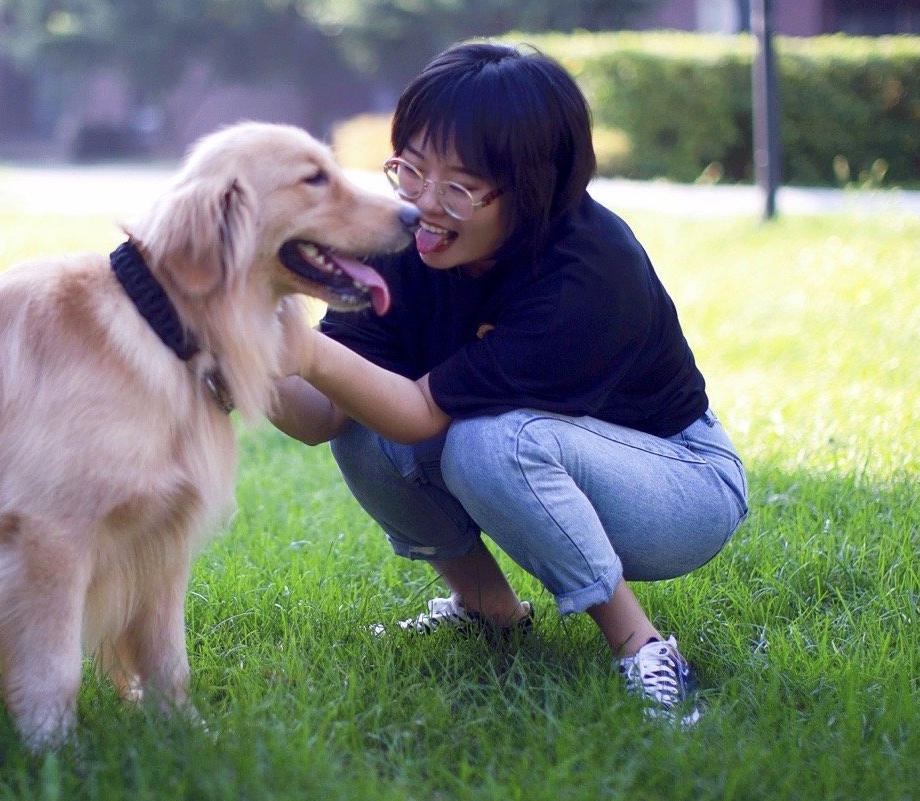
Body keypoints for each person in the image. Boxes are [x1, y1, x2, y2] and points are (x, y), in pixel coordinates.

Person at [269, 41, 748, 724]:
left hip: (680, 484)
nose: (423, 205)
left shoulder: (586, 273)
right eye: (409, 170)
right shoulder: (409, 236)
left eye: (459, 187)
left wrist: (302, 352)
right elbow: (321, 417)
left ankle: (645, 648)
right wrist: (240, 346)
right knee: (361, 407)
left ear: (531, 189)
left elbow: (417, 414)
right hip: (539, 450)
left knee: (488, 443)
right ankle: (487, 610)